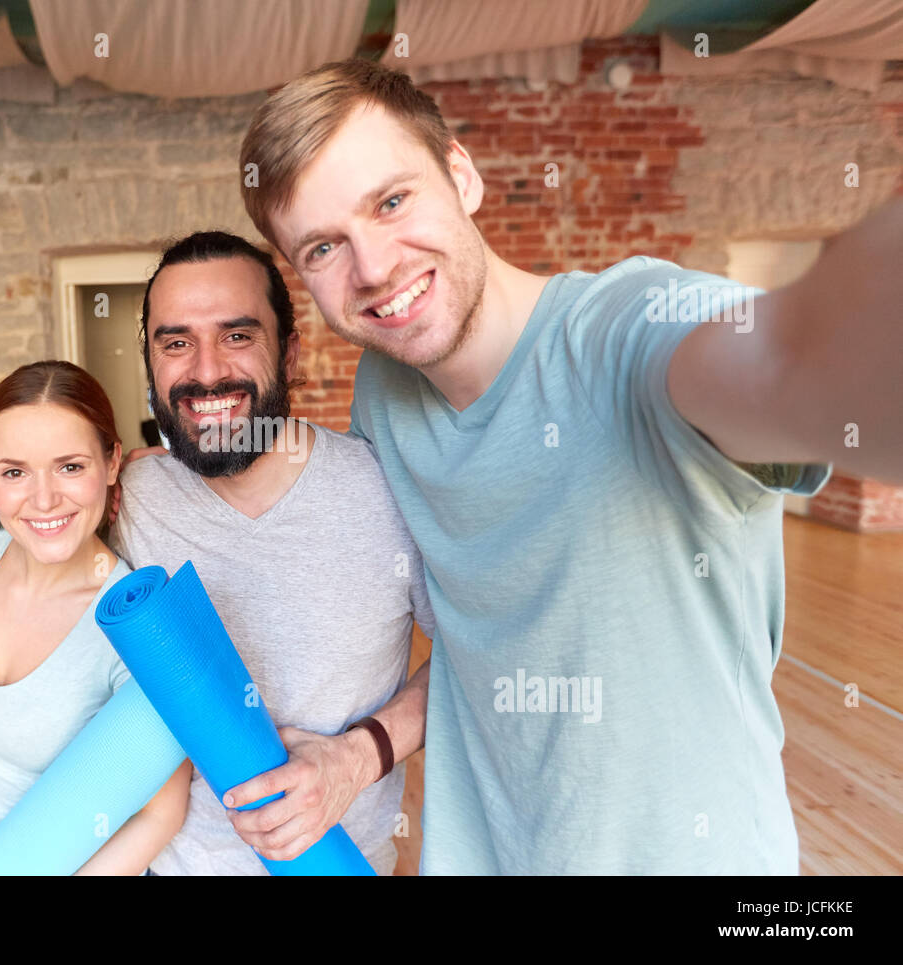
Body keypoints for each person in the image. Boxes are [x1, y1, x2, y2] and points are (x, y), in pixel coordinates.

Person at [235, 58, 903, 873]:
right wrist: (356, 755)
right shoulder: (384, 393)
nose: (372, 268)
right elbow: (480, 646)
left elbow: (789, 362)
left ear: (462, 175)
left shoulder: (626, 333)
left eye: (392, 200)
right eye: (324, 246)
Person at [0, 232, 435, 875]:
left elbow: (478, 664)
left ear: (291, 351)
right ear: (151, 365)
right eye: (177, 342)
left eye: (238, 335)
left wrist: (360, 757)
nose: (208, 370)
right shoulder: (132, 491)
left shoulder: (391, 494)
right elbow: (49, 514)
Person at [0, 361, 190, 875]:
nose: (43, 499)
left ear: (111, 463)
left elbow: (161, 814)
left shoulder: (132, 625)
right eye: (15, 472)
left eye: (70, 467)